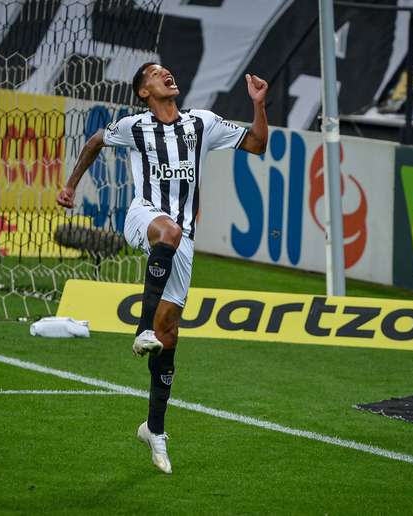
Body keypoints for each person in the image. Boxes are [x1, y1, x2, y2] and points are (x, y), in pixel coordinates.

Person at [57, 63, 268, 474]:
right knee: (167, 233)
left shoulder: (202, 123)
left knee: (169, 333)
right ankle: (141, 329)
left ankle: (154, 428)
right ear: (143, 91)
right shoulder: (135, 127)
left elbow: (258, 144)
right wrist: (70, 185)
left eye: (168, 71)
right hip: (145, 216)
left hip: (182, 240)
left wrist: (259, 105)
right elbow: (96, 140)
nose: (167, 74)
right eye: (156, 74)